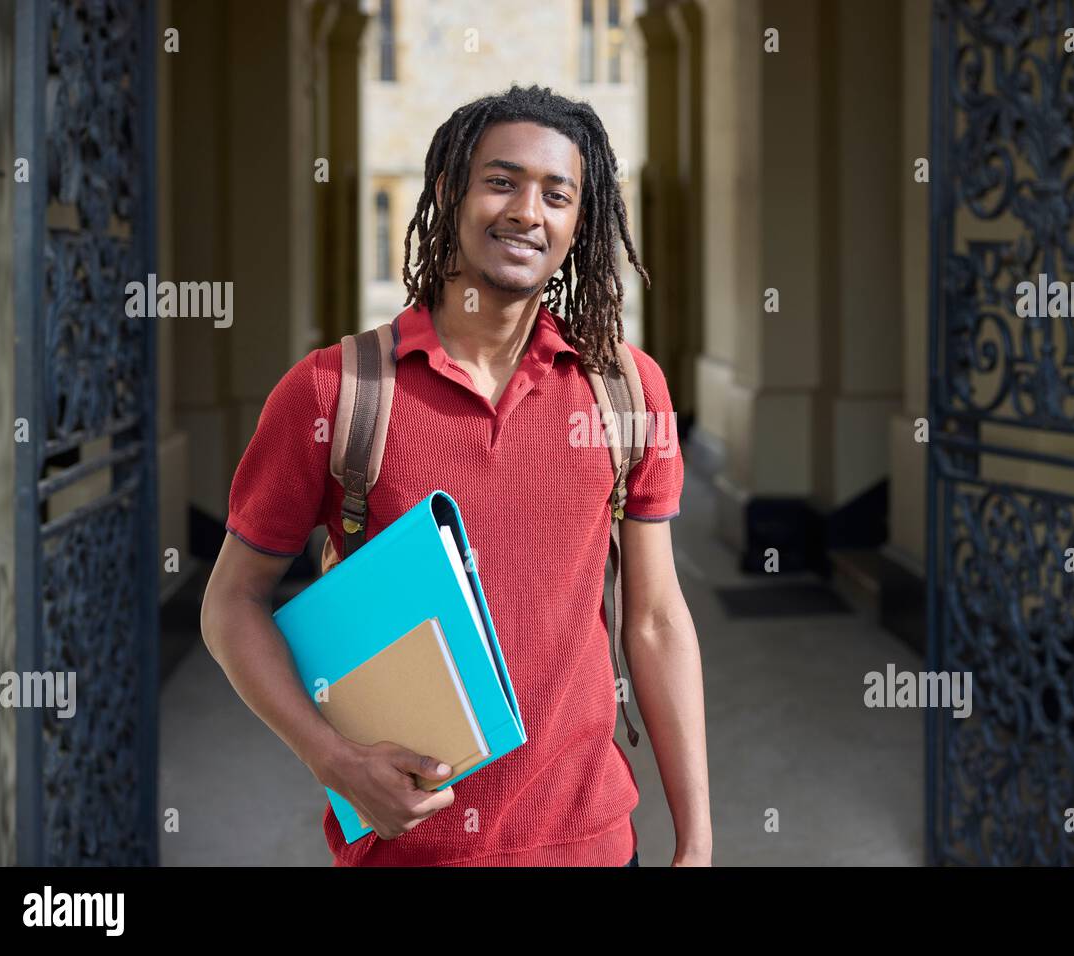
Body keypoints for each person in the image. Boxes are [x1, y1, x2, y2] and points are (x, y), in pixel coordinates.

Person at [200, 84, 712, 867]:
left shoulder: (627, 390)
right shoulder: (336, 393)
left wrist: (697, 840)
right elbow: (232, 602)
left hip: (593, 844)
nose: (526, 212)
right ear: (449, 193)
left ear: (581, 223)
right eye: (501, 181)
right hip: (406, 852)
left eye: (557, 194)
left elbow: (657, 622)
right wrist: (333, 760)